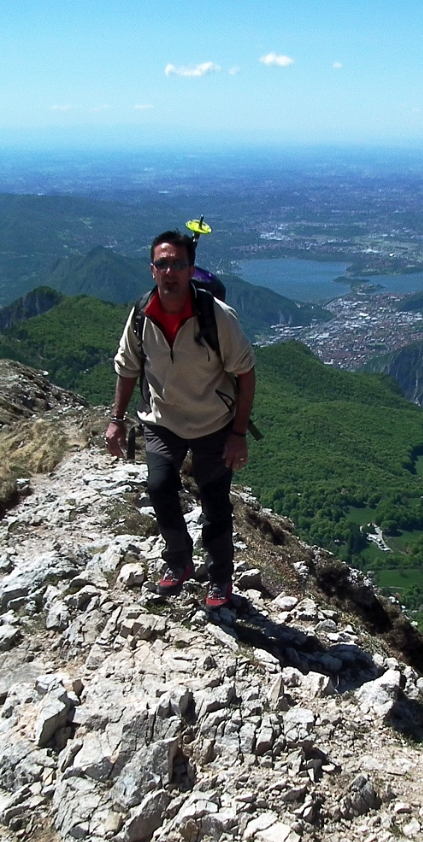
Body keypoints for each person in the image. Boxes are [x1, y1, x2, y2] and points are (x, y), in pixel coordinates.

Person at [106, 230, 256, 610]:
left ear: (191, 270)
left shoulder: (216, 316)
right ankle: (180, 560)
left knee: (215, 503)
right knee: (158, 486)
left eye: (177, 264)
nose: (169, 271)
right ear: (152, 269)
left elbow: (246, 373)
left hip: (213, 423)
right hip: (162, 420)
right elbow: (127, 368)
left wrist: (238, 433)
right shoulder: (142, 313)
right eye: (162, 263)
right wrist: (117, 420)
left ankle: (220, 578)